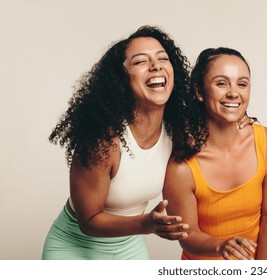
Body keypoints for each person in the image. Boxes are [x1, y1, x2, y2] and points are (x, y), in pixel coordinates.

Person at [42, 25, 196, 260]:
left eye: (163, 58)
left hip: (129, 247)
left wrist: (242, 122)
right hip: (74, 247)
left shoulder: (178, 130)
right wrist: (147, 225)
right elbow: (89, 221)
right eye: (140, 61)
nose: (156, 65)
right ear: (121, 80)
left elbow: (218, 128)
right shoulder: (103, 142)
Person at [163, 47, 267, 260]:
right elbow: (188, 234)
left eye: (242, 83)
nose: (233, 92)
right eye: (221, 83)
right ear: (199, 92)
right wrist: (221, 246)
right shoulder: (182, 166)